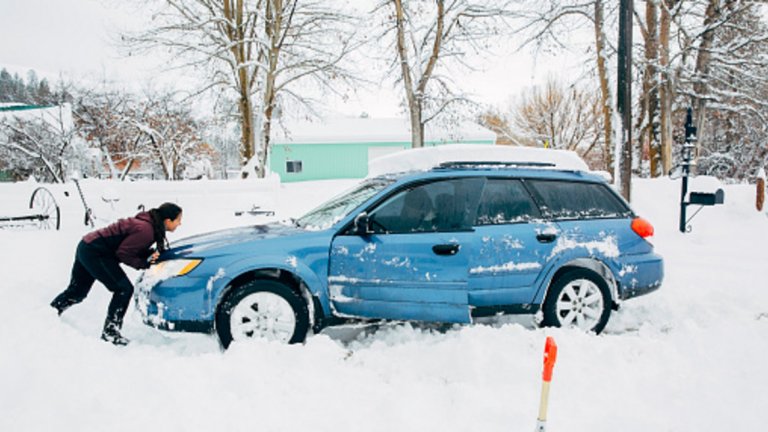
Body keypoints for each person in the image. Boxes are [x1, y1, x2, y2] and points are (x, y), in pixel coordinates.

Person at [50, 203, 183, 345]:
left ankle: (49, 314)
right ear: (168, 220)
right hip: (96, 252)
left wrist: (147, 255)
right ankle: (110, 332)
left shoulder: (149, 225)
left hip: (87, 245)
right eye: (178, 220)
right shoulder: (146, 230)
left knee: (77, 292)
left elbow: (129, 246)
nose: (180, 224)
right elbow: (124, 253)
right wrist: (144, 263)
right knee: (123, 289)